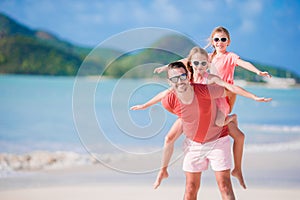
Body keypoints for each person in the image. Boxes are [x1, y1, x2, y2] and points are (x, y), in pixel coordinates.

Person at [131, 47, 271, 189]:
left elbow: (231, 88)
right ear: (191, 64)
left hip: (214, 111)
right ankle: (163, 171)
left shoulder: (210, 78)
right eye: (196, 63)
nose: (200, 67)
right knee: (168, 138)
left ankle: (232, 123)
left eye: (204, 64)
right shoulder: (185, 78)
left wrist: (253, 96)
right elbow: (166, 91)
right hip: (193, 114)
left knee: (231, 130)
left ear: (208, 64)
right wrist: (145, 105)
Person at [160, 61, 236, 199]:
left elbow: (229, 91)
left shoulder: (203, 90)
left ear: (188, 76)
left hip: (218, 140)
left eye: (182, 76)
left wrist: (225, 111)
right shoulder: (168, 100)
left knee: (224, 185)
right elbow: (182, 116)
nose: (179, 81)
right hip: (194, 144)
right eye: (174, 78)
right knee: (190, 188)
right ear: (169, 81)